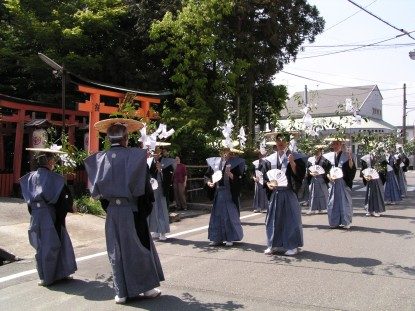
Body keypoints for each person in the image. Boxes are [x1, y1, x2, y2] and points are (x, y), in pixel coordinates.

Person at [84, 118, 164, 304]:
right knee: (138, 247)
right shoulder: (136, 157)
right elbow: (145, 190)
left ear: (109, 138)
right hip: (132, 209)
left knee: (115, 249)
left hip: (112, 211)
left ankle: (120, 292)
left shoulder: (99, 159)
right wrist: (144, 209)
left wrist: (111, 206)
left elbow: (99, 193)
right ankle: (146, 288)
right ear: (126, 138)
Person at [19, 147, 77, 286]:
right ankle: (51, 277)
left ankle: (46, 275)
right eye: (53, 160)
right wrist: (67, 209)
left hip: (36, 214)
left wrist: (35, 212)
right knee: (52, 245)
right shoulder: (56, 178)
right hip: (51, 215)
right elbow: (63, 199)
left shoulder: (29, 177)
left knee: (41, 245)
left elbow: (28, 201)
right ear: (49, 161)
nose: (54, 163)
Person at [261, 133, 306, 256]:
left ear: (287, 142)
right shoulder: (269, 159)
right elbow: (265, 177)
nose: (280, 142)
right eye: (278, 139)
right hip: (275, 193)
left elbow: (300, 175)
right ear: (275, 142)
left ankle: (292, 246)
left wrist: (292, 163)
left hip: (288, 192)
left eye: (283, 140)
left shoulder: (294, 157)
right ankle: (273, 245)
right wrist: (267, 184)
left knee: (291, 219)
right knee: (273, 219)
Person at [205, 147, 244, 247]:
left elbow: (240, 178)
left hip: (229, 193)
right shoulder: (215, 163)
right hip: (218, 192)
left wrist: (230, 174)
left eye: (228, 152)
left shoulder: (235, 163)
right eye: (224, 151)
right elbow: (208, 175)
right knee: (217, 215)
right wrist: (209, 182)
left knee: (229, 216)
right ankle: (216, 238)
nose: (226, 154)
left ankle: (229, 237)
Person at [324, 138, 356, 229]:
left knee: (345, 202)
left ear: (341, 145)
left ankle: (346, 222)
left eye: (337, 144)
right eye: (334, 144)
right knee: (332, 202)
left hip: (343, 182)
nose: (335, 146)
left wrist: (350, 159)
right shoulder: (329, 157)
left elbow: (351, 169)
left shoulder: (346, 156)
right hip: (333, 183)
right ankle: (334, 222)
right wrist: (329, 177)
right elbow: (326, 170)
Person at [148, 147, 174, 241]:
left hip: (161, 188)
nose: (155, 154)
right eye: (153, 152)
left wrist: (161, 170)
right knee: (153, 208)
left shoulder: (165, 162)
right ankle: (155, 230)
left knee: (161, 208)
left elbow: (170, 175)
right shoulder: (149, 162)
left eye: (157, 152)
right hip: (151, 188)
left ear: (160, 153)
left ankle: (162, 231)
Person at [306, 145, 331, 214]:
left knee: (323, 193)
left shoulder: (325, 160)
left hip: (322, 179)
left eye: (318, 150)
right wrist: (311, 173)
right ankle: (312, 208)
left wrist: (323, 174)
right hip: (313, 179)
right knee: (312, 193)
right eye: (315, 151)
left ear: (321, 151)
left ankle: (325, 208)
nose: (317, 152)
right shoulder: (310, 159)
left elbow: (327, 170)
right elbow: (308, 169)